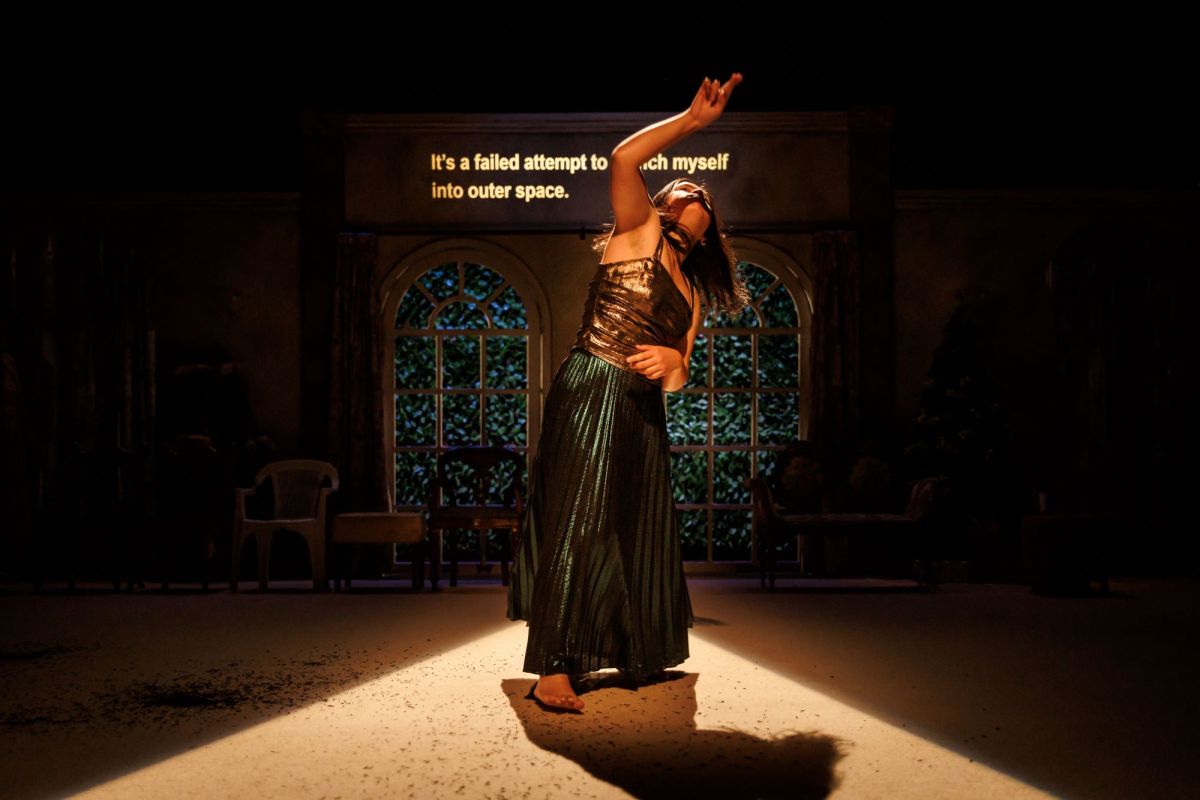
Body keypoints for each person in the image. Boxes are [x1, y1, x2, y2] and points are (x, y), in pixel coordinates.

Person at [506, 73, 747, 713]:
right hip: (593, 384)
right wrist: (693, 124)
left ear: (707, 230)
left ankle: (623, 647)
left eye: (703, 197)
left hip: (642, 408)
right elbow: (622, 157)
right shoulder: (636, 229)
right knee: (579, 517)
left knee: (634, 526)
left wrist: (674, 357)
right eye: (684, 190)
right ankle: (551, 666)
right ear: (666, 201)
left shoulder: (692, 293)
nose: (694, 195)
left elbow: (677, 374)